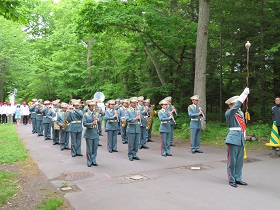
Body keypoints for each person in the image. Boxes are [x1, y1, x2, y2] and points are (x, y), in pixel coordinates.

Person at [225, 87, 250, 188]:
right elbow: (235, 108)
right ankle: (231, 179)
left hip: (240, 138)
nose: (237, 106)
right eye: (234, 104)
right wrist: (243, 95)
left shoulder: (240, 113)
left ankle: (238, 178)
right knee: (232, 160)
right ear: (231, 105)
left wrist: (244, 135)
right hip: (233, 139)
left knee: (240, 161)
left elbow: (242, 126)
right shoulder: (229, 113)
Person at [83, 100, 100, 167]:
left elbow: (100, 120)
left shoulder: (96, 114)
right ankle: (89, 161)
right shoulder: (86, 114)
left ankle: (94, 160)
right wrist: (91, 123)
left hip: (95, 132)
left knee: (95, 148)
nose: (93, 107)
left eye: (94, 106)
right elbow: (84, 124)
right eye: (92, 106)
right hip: (89, 133)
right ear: (89, 106)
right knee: (89, 148)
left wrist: (98, 119)